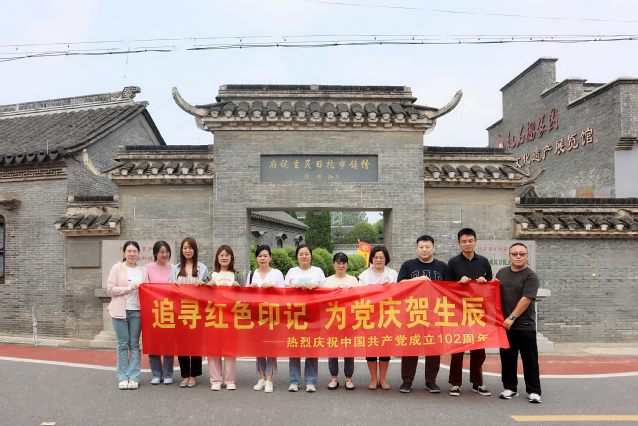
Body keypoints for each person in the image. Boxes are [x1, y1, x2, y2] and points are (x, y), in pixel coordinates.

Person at [445, 228, 493, 397]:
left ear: (475, 241)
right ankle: (455, 383)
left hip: (478, 312)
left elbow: (491, 285)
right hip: (459, 312)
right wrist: (458, 283)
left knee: (478, 350)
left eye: (470, 241)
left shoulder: (484, 261)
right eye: (464, 241)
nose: (467, 244)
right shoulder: (453, 262)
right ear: (459, 243)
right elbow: (446, 288)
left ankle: (477, 383)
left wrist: (484, 281)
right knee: (458, 349)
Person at [396, 235, 447, 394]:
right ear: (417, 248)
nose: (424, 250)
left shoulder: (442, 266)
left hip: (435, 314)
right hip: (413, 313)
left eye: (427, 247)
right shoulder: (408, 265)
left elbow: (450, 289)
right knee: (410, 348)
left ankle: (431, 381)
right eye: (421, 247)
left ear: (433, 248)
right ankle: (407, 380)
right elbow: (399, 284)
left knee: (434, 349)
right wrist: (418, 280)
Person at [496, 243, 542, 404]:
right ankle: (510, 388)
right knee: (507, 358)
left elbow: (526, 299)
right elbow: (492, 291)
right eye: (514, 254)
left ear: (527, 256)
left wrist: (511, 317)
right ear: (509, 256)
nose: (518, 256)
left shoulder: (530, 276)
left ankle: (534, 391)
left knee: (529, 359)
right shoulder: (501, 272)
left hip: (524, 325)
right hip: (504, 325)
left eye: (522, 254)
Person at [107, 241, 149, 390]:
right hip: (119, 311)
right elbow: (110, 289)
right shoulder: (117, 268)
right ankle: (123, 377)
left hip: (137, 311)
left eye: (135, 251)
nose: (132, 254)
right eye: (129, 251)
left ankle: (134, 378)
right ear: (124, 253)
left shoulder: (143, 271)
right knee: (123, 344)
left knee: (135, 345)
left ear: (139, 253)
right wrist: (128, 288)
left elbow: (148, 290)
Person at [285, 244, 326, 393]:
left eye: (306, 254)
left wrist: (316, 286)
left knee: (312, 348)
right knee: (294, 348)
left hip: (313, 315)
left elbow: (327, 291)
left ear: (311, 256)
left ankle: (310, 381)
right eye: (301, 254)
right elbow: (282, 292)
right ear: (297, 257)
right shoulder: (291, 271)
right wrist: (292, 287)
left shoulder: (318, 271)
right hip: (295, 315)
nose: (304, 257)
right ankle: (294, 381)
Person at [170, 237, 209, 388]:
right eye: (185, 248)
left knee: (195, 344)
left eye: (190, 248)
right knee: (182, 344)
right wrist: (172, 285)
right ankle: (185, 375)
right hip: (179, 311)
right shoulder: (175, 268)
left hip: (196, 311)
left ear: (195, 250)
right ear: (181, 250)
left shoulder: (202, 268)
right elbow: (169, 290)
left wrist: (203, 284)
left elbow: (208, 290)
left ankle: (193, 375)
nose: (187, 250)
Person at [358, 246, 397, 390]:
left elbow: (399, 292)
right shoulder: (364, 275)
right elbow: (360, 295)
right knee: (371, 348)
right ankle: (374, 379)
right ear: (371, 259)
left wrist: (390, 287)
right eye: (376, 257)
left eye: (381, 257)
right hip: (369, 316)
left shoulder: (393, 274)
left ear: (386, 259)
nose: (378, 260)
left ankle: (383, 379)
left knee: (385, 348)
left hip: (387, 316)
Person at [248, 245, 286, 393]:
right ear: (256, 258)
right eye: (260, 256)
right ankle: (262, 377)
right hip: (256, 316)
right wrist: (250, 288)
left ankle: (269, 378)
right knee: (258, 347)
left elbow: (285, 294)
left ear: (270, 257)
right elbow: (244, 297)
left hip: (272, 316)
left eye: (265, 256)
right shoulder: (251, 274)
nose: (262, 258)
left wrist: (273, 287)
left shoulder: (277, 274)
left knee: (271, 347)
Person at [205, 245, 243, 391]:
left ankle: (229, 380)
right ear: (217, 257)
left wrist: (239, 288)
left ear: (231, 257)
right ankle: (215, 380)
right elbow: (202, 297)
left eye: (227, 255)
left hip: (231, 317)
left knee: (230, 349)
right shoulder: (211, 275)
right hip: (213, 316)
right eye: (221, 255)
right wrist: (207, 287)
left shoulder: (237, 275)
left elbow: (245, 297)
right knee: (213, 348)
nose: (224, 257)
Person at [324, 252, 359, 390]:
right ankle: (334, 377)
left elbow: (358, 299)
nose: (341, 265)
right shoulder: (327, 281)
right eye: (338, 263)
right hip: (332, 320)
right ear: (333, 264)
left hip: (349, 320)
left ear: (347, 265)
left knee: (349, 350)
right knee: (333, 350)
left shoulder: (353, 280)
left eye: (343, 263)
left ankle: (349, 378)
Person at [145, 241, 175, 385]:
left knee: (168, 344)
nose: (165, 254)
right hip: (152, 311)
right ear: (155, 253)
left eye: (167, 252)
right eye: (162, 252)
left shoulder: (174, 268)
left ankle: (168, 374)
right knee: (153, 344)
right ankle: (156, 374)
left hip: (169, 310)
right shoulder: (147, 268)